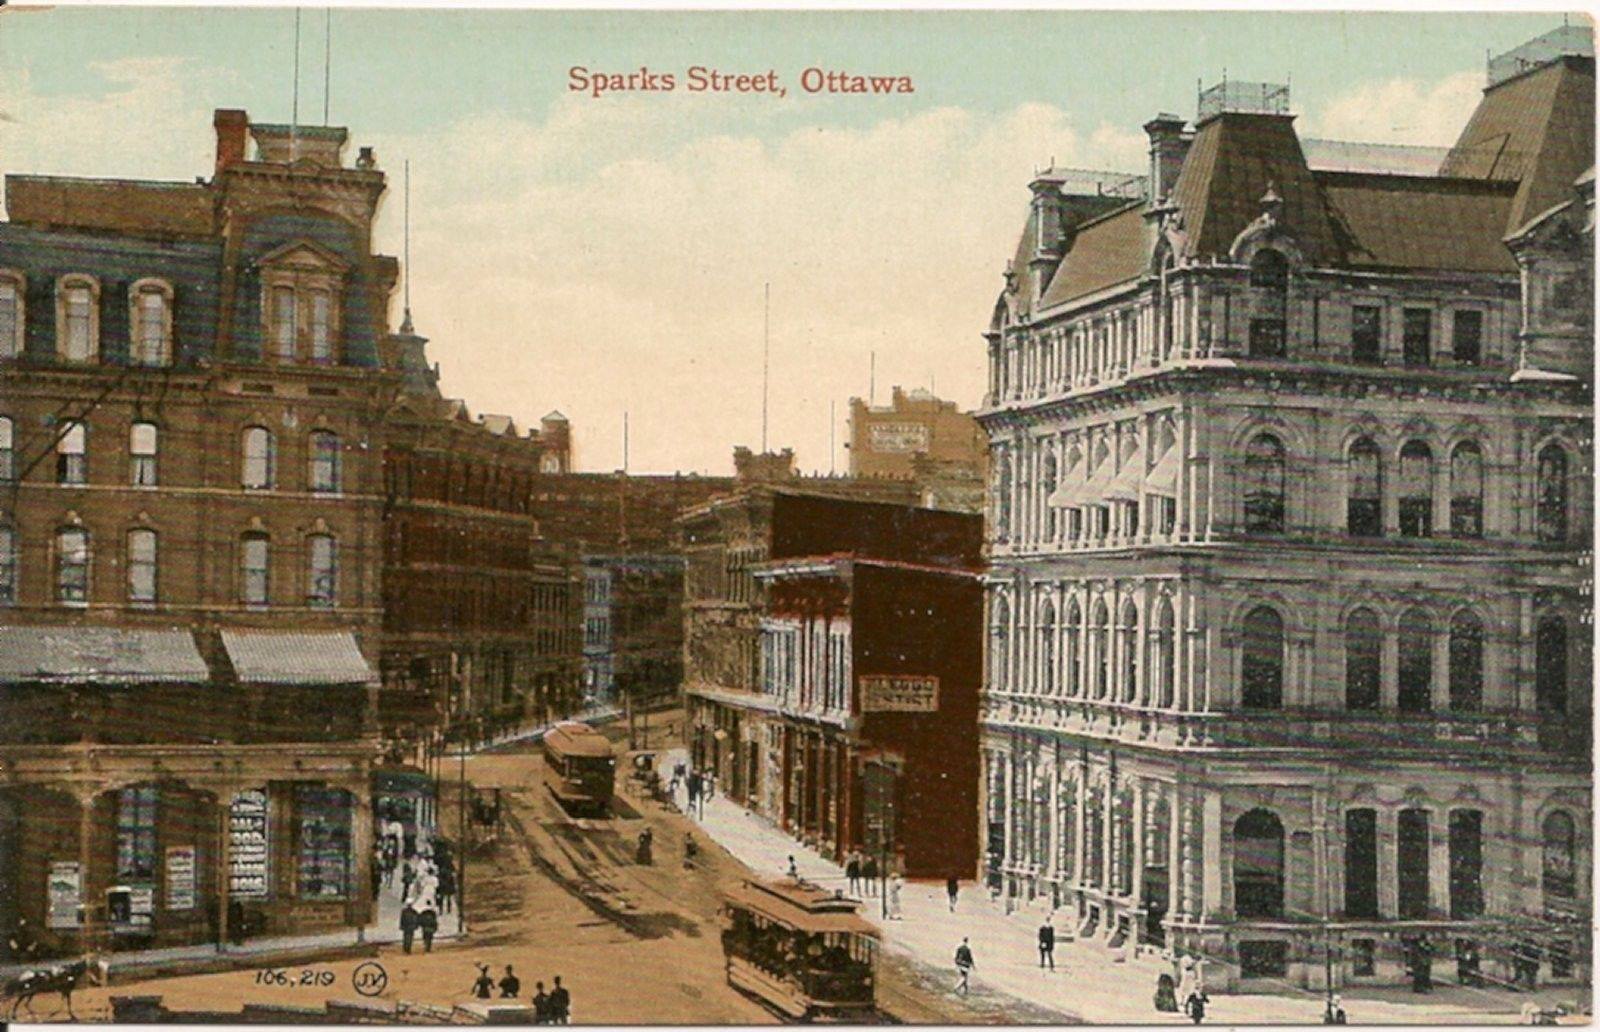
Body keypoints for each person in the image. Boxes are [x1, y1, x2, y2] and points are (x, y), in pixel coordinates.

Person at [405, 863, 440, 953]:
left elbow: (410, 895)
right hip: (428, 907)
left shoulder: (416, 883)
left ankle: (408, 946)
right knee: (428, 927)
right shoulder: (433, 881)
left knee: (409, 928)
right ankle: (427, 945)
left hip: (416, 907)